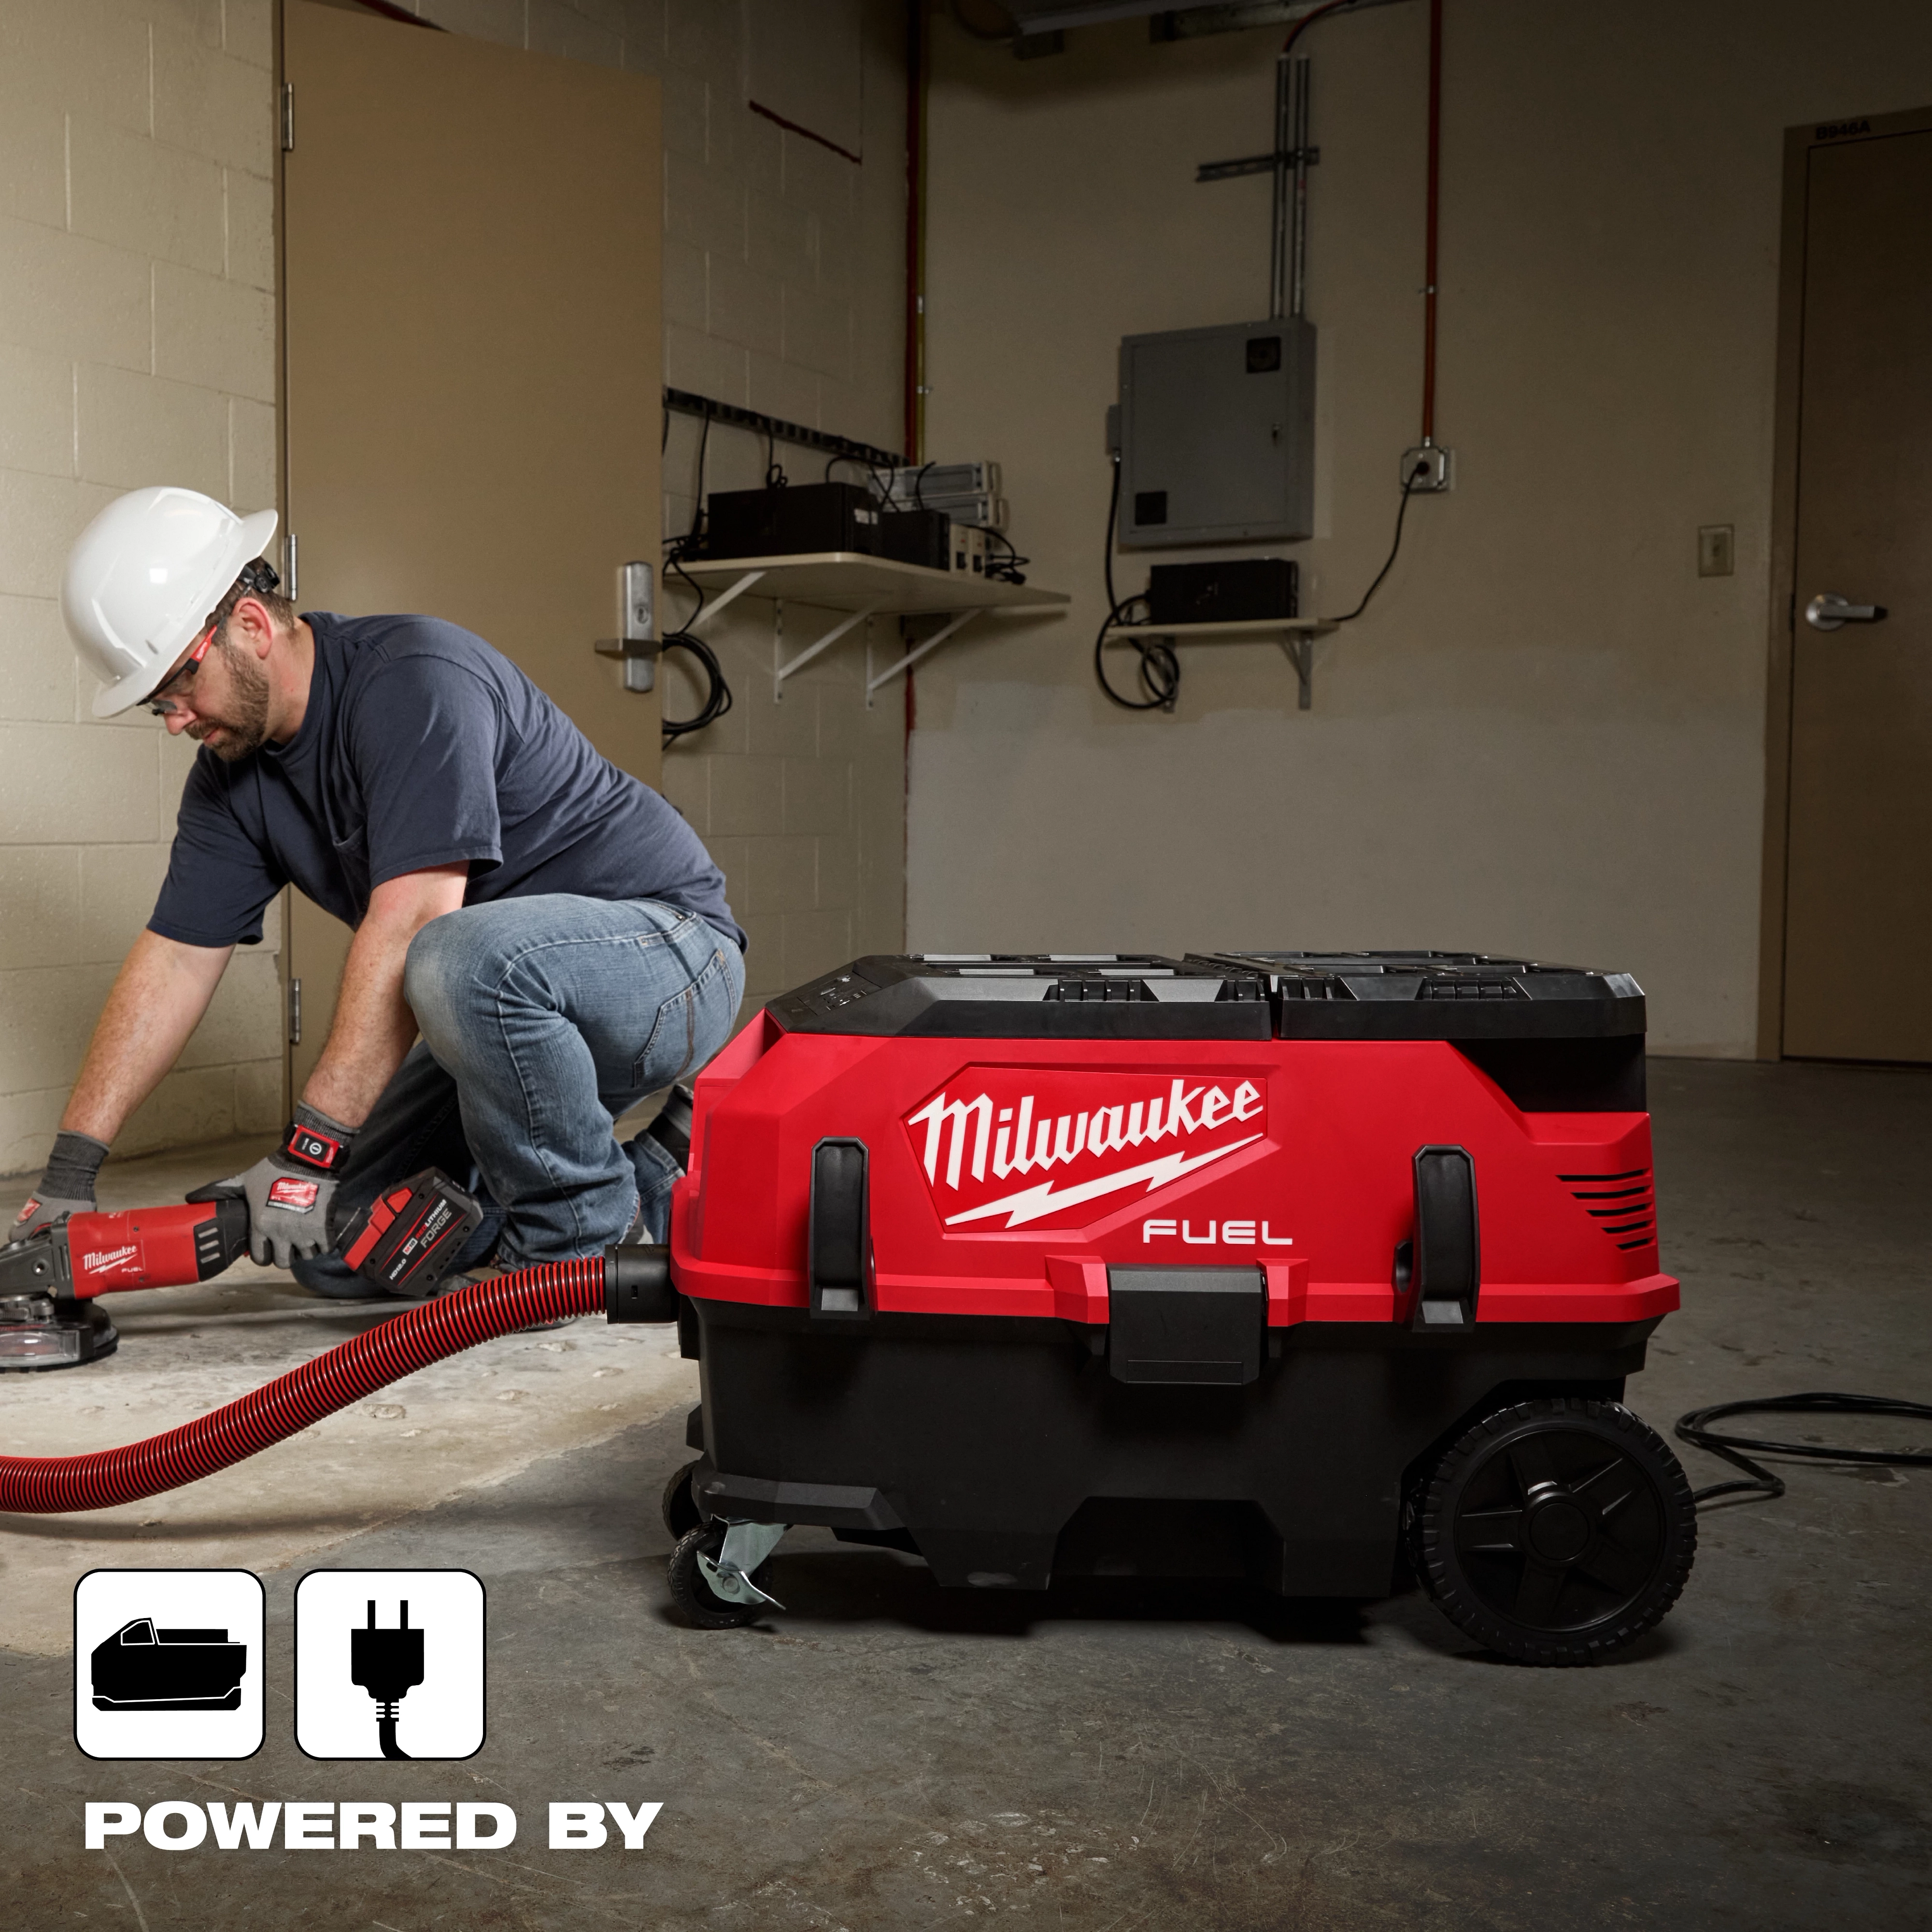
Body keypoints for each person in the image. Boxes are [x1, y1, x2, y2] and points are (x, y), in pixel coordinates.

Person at [11, 485, 744, 1291]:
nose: (175, 720)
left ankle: (583, 1239)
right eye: (156, 704)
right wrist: (71, 1177)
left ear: (249, 628)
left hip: (667, 956)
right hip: (505, 1012)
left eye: (177, 686)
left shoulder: (414, 681)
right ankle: (659, 1178)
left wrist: (308, 1152)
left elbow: (417, 920)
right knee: (339, 1244)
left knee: (453, 957)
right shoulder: (229, 779)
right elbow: (176, 961)